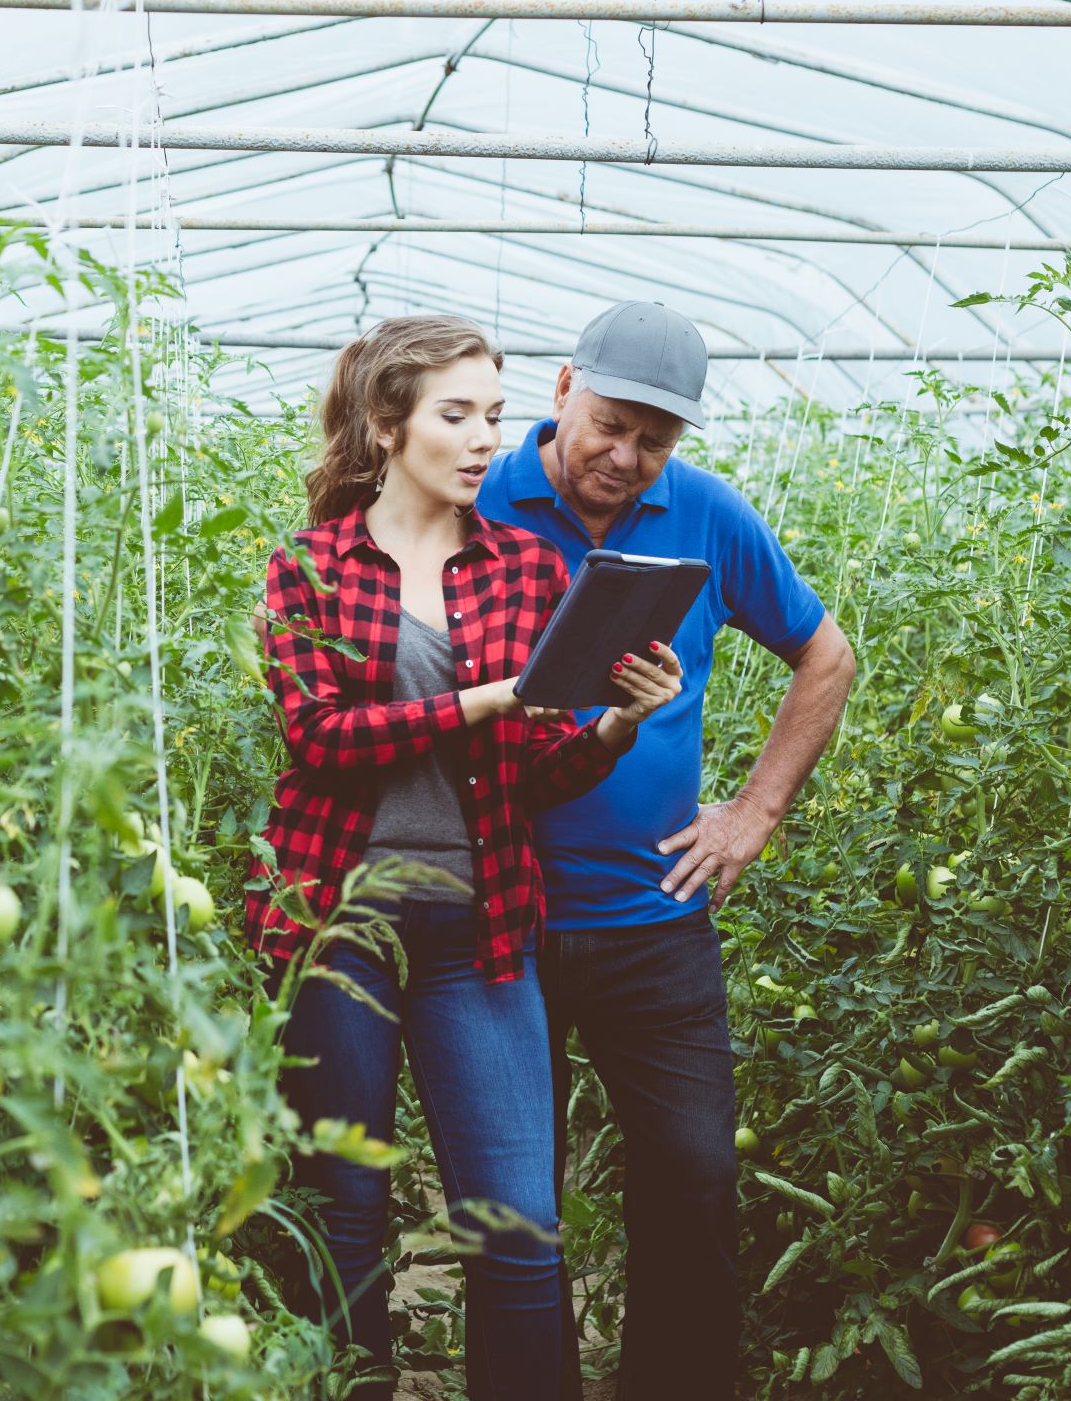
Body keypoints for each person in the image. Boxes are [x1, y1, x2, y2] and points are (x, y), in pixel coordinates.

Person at [249, 314, 684, 1401]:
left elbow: (532, 767)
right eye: (457, 415)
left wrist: (612, 727)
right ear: (387, 424)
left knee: (518, 1222)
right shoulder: (306, 568)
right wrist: (488, 698)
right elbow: (322, 737)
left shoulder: (523, 569)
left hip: (477, 924)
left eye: (493, 415)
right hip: (335, 923)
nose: (486, 437)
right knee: (342, 1215)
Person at [473, 300, 857, 1401]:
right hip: (508, 915)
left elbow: (823, 656)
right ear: (560, 391)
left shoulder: (702, 514)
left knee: (692, 1176)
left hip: (655, 920)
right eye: (609, 425)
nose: (627, 458)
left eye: (656, 439)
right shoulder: (480, 499)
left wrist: (754, 813)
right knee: (518, 1201)